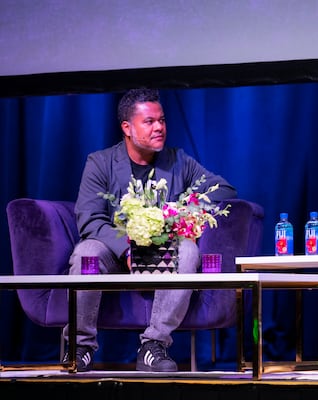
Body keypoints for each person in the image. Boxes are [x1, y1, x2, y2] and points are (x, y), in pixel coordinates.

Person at [62, 88, 237, 372]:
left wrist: (180, 214)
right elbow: (90, 219)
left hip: (161, 254)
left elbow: (225, 190)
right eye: (150, 121)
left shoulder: (178, 161)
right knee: (87, 251)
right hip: (116, 255)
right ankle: (79, 346)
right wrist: (125, 247)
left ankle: (153, 346)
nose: (159, 127)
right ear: (127, 128)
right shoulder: (100, 162)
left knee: (188, 249)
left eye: (162, 120)